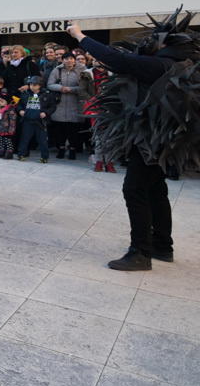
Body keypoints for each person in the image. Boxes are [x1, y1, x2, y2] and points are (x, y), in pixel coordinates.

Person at [68, 14, 197, 270]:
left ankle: (141, 252)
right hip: (165, 140)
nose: (151, 43)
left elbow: (116, 58)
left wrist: (80, 36)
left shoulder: (158, 66)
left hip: (151, 139)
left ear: (167, 45)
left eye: (157, 41)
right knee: (156, 189)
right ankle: (162, 246)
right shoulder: (180, 66)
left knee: (135, 190)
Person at [46, 50, 93, 160]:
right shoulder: (57, 70)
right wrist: (61, 88)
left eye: (71, 58)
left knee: (74, 129)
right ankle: (61, 149)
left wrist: (71, 89)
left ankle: (73, 149)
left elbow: (86, 86)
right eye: (66, 59)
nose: (69, 61)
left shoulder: (82, 69)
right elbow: (50, 84)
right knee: (60, 128)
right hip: (60, 103)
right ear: (62, 60)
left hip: (76, 102)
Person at [15, 76, 56, 162]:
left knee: (42, 140)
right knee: (24, 138)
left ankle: (44, 157)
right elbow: (19, 104)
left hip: (40, 121)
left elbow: (53, 106)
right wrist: (20, 110)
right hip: (27, 120)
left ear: (40, 85)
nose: (32, 86)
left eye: (35, 85)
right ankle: (21, 154)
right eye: (30, 84)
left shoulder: (46, 94)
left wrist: (46, 113)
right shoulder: (25, 93)